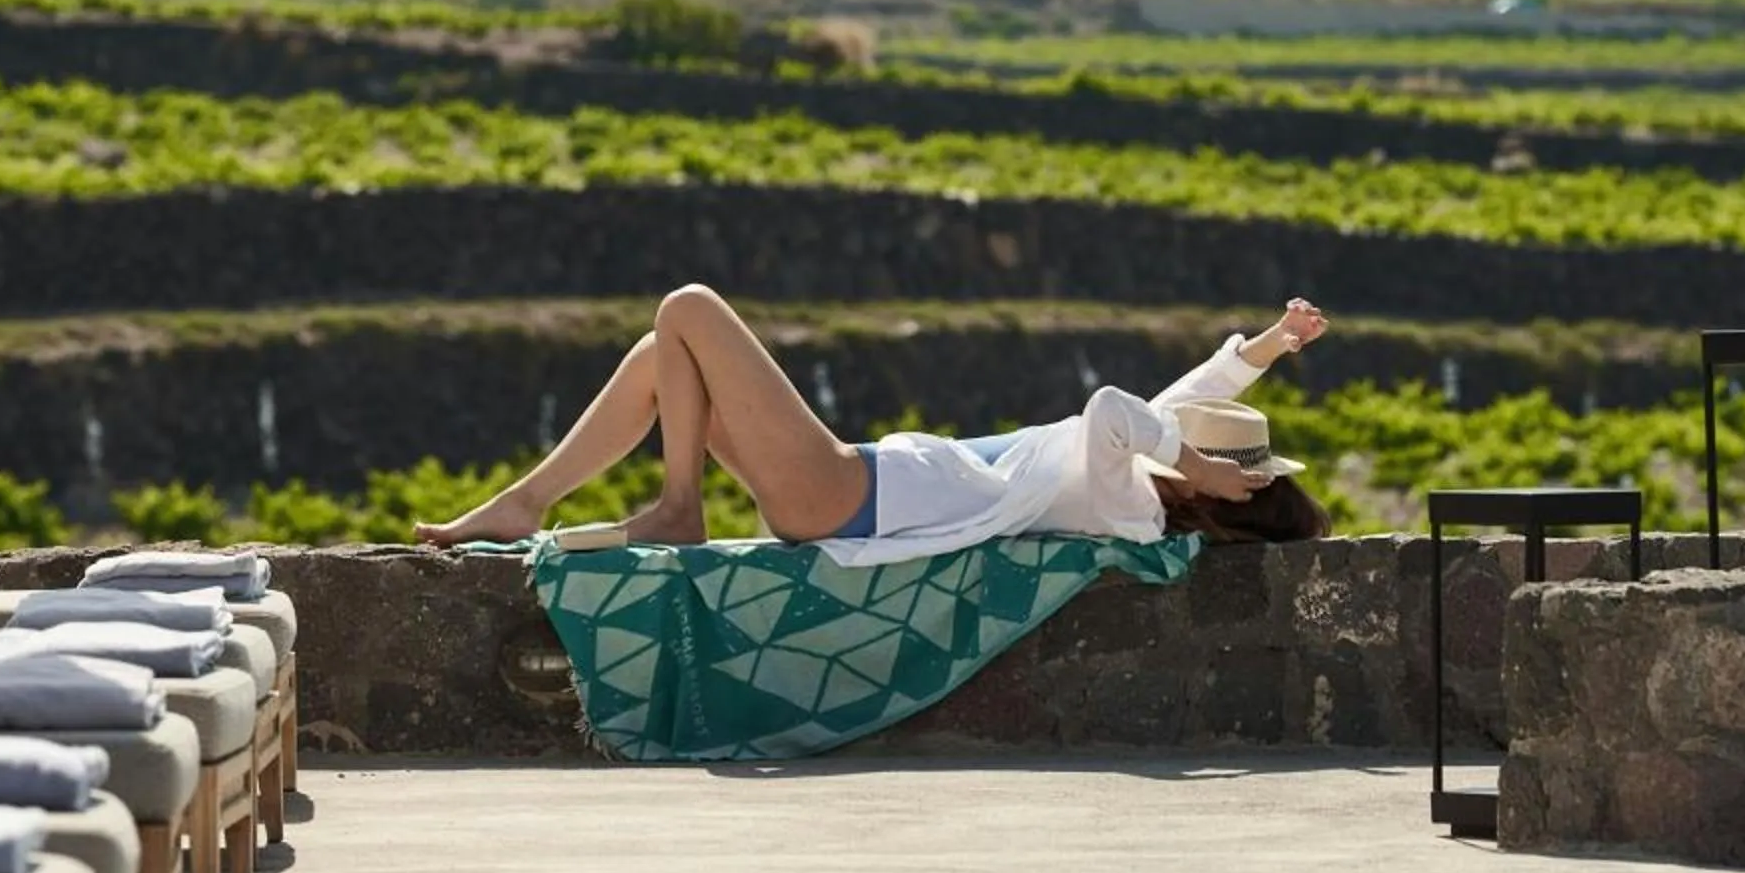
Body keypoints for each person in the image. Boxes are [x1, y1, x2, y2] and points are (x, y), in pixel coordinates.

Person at [414, 285, 1332, 563]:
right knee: (666, 359)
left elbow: (1116, 412)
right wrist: (1266, 347)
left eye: (1216, 465)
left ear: (1218, 493)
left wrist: (1200, 470)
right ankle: (529, 501)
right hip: (853, 484)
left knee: (689, 309)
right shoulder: (1147, 466)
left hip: (852, 496)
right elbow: (1176, 406)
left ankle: (676, 507)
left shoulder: (1126, 502)